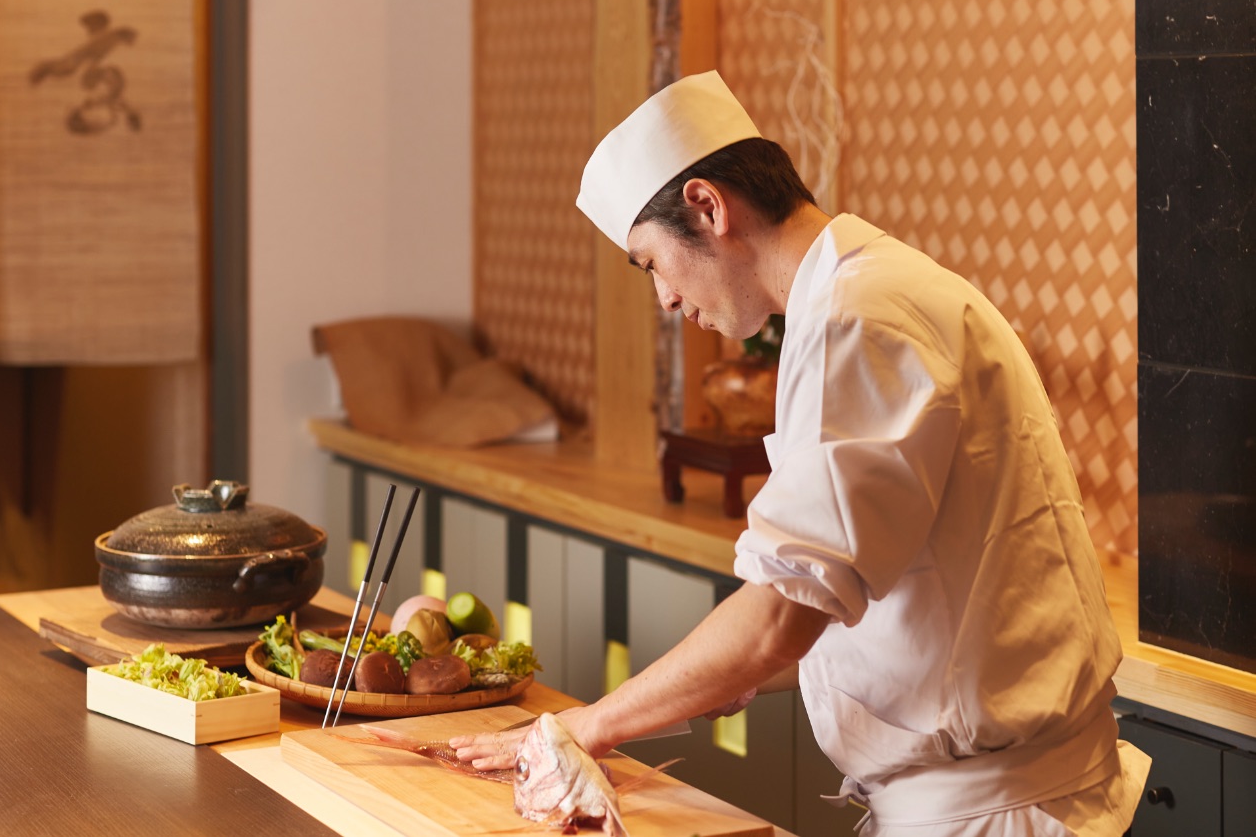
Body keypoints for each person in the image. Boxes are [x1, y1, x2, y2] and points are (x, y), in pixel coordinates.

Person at [451, 70, 1150, 835]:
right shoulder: (861, 294)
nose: (667, 300)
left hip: (996, 814)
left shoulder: (861, 315)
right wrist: (709, 677)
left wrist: (589, 726)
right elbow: (852, 594)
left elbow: (777, 620)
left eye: (651, 264)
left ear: (708, 206)